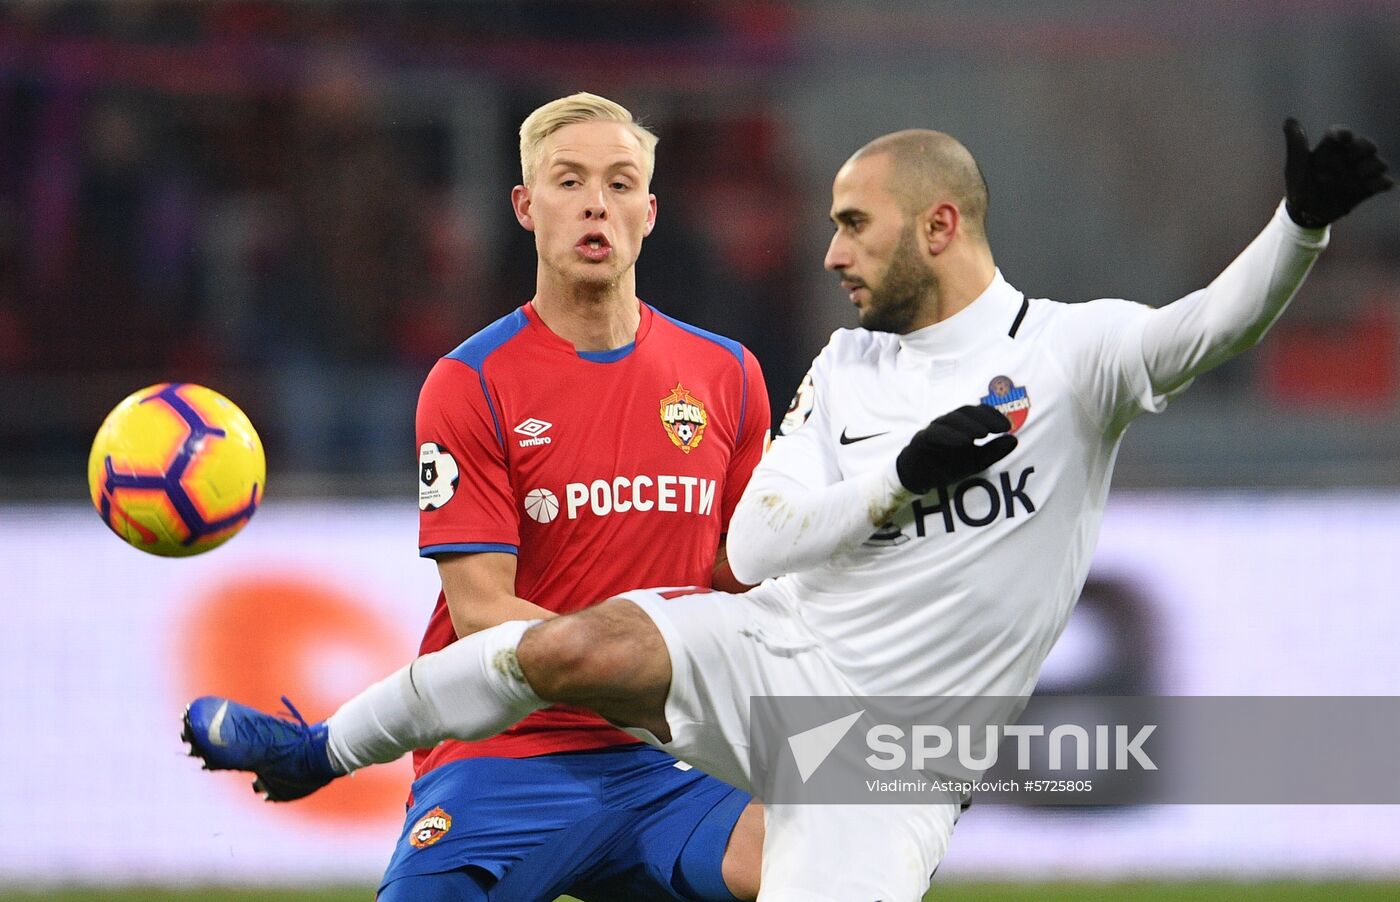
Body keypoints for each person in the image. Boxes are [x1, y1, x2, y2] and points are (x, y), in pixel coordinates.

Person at [188, 118, 1390, 901]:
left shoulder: (1079, 356)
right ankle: (321, 745)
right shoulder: (845, 369)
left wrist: (1299, 225)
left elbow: (1212, 322)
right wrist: (896, 480)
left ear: (939, 224)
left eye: (851, 225)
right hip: (774, 654)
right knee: (569, 643)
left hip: (879, 753)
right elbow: (753, 543)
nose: (827, 252)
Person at [185, 93, 769, 902]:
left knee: (832, 872)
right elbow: (483, 611)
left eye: (620, 183)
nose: (596, 202)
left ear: (650, 211)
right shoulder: (470, 382)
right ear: (526, 208)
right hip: (510, 752)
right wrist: (651, 677)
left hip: (671, 766)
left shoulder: (728, 377)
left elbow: (741, 582)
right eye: (568, 182)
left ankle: (319, 749)